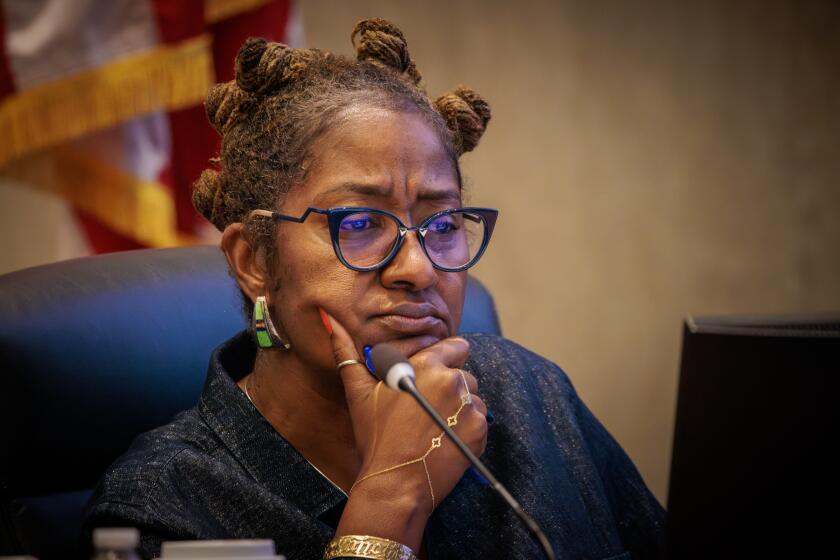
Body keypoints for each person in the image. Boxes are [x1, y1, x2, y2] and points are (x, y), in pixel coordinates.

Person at [83, 18, 665, 560]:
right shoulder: (160, 507)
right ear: (254, 259)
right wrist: (390, 499)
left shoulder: (529, 393)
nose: (418, 268)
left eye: (441, 226)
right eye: (358, 225)